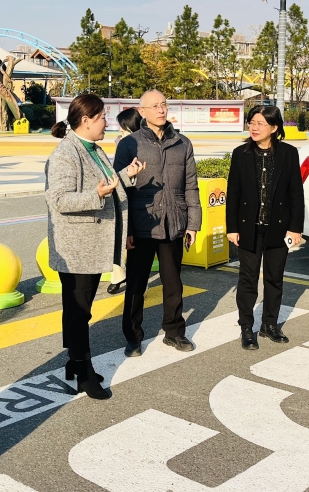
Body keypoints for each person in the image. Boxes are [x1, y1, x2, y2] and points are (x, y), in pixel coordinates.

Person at [45, 94, 145, 399]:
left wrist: (126, 175)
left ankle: (74, 363)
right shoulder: (66, 153)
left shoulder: (93, 148)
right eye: (102, 117)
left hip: (90, 244)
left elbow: (107, 183)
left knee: (80, 310)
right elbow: (59, 199)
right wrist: (96, 195)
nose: (106, 122)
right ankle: (84, 372)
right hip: (76, 249)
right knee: (78, 312)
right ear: (85, 121)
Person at [113, 90, 201, 356]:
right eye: (154, 106)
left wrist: (193, 223)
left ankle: (174, 331)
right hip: (142, 224)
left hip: (174, 221)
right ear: (142, 112)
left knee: (173, 283)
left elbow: (191, 185)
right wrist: (126, 230)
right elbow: (120, 190)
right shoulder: (129, 144)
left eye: (164, 105)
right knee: (136, 285)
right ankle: (133, 337)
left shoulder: (182, 143)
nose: (161, 110)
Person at [226, 105, 304, 350]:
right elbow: (233, 194)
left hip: (278, 229)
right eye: (252, 122)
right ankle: (246, 327)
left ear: (274, 127)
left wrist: (295, 228)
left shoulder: (288, 153)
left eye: (260, 123)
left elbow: (295, 193)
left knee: (274, 279)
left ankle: (270, 324)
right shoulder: (240, 154)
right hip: (248, 228)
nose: (254, 127)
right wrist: (232, 227)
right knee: (247, 280)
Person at [108, 107, 143, 295]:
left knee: (132, 243)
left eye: (123, 126)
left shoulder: (138, 142)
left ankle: (130, 280)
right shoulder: (122, 142)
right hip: (123, 193)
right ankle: (118, 276)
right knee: (121, 238)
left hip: (137, 196)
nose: (120, 130)